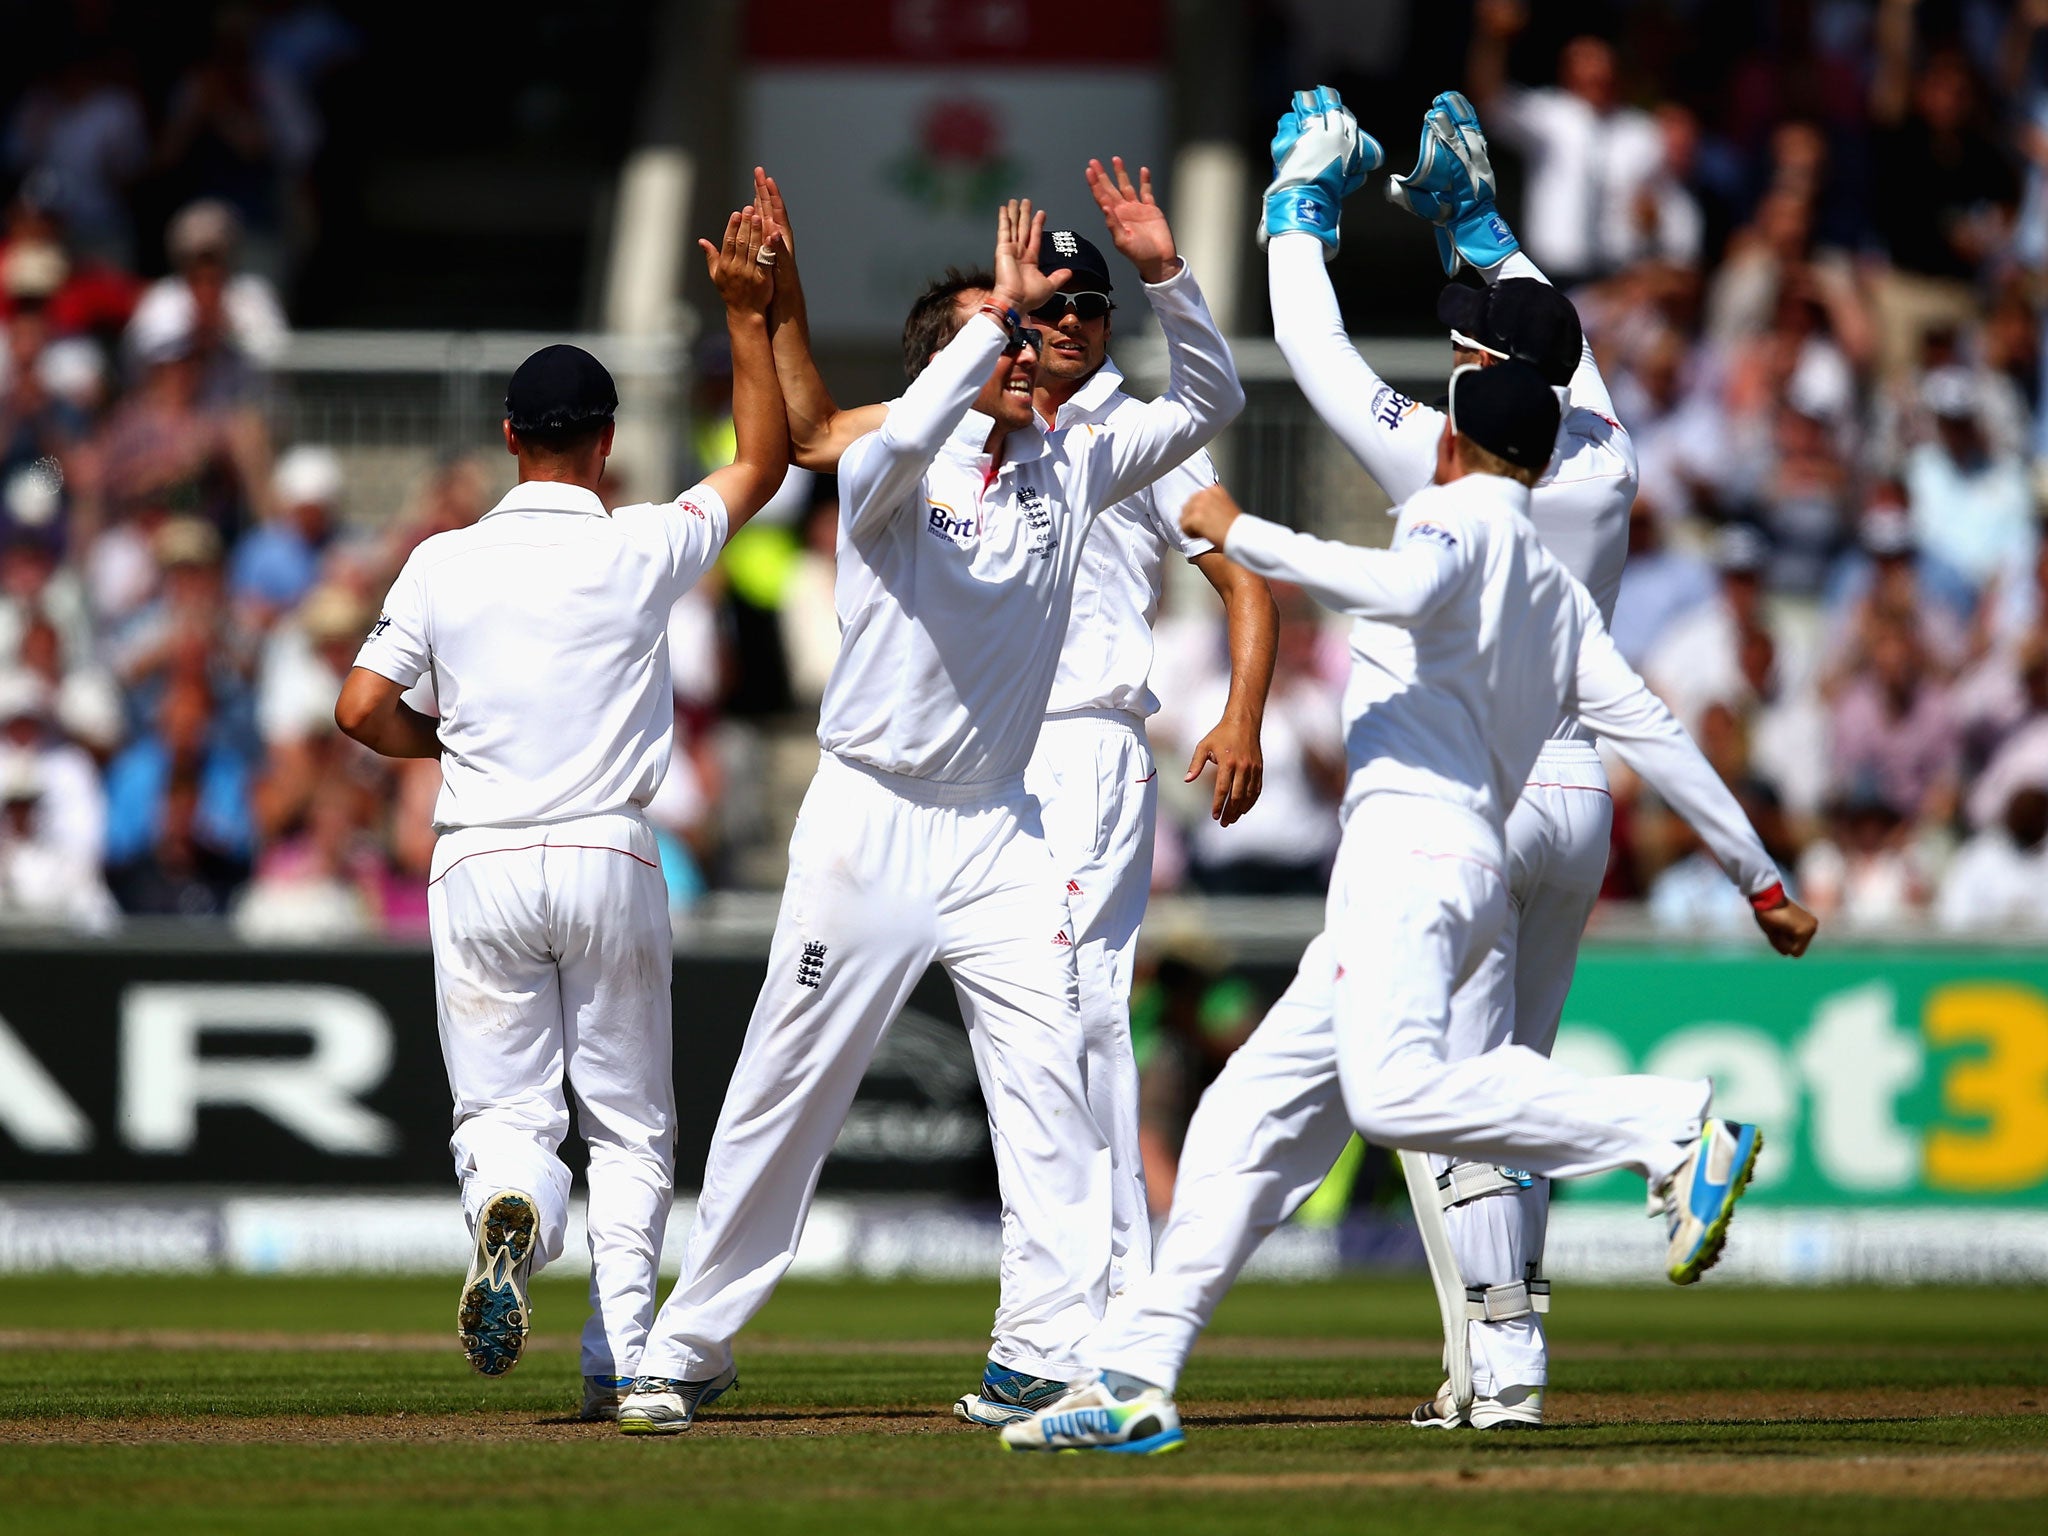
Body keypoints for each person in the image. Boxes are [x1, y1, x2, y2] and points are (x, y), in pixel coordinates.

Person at [1001, 92, 1816, 1458]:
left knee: (1405, 1098)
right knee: (1252, 1116)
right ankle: (1135, 1374)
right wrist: (1759, 874)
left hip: (1427, 850)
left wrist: (1291, 225)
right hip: (1504, 825)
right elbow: (1650, 725)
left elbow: (1362, 506)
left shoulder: (1446, 519)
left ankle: (1671, 1133)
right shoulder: (1596, 474)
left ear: (1453, 430)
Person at [617, 174, 1243, 1435]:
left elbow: (1210, 402)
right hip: (870, 821)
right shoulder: (890, 468)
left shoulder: (1078, 460)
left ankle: (1044, 1351)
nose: (1026, 345)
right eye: (1004, 331)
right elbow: (898, 437)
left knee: (1054, 1076)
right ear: (951, 360)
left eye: (1029, 328)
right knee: (787, 1086)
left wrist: (1167, 276)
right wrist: (989, 321)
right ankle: (683, 1347)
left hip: (999, 828)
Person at [334, 209, 789, 1415]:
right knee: (629, 1127)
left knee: (504, 1114)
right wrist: (744, 315)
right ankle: (629, 1362)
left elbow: (359, 706)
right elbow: (760, 462)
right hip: (605, 850)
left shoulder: (442, 559)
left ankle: (510, 1211)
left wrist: (445, 741)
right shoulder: (639, 545)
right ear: (606, 440)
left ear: (508, 438)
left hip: (476, 859)